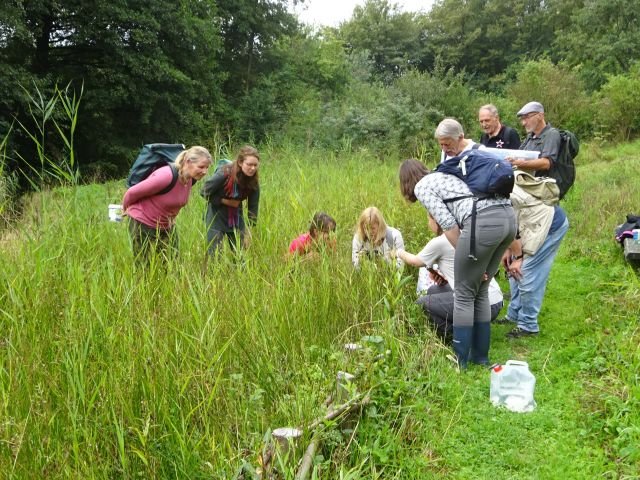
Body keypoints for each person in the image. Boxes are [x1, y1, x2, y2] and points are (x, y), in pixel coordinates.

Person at [399, 146, 516, 369]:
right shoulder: (446, 176)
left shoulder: (424, 187)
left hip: (484, 224)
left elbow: (449, 226)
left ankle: (460, 361)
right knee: (480, 291)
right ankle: (480, 358)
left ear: (406, 183)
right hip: (507, 219)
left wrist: (469, 255)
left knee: (463, 295)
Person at [496, 103, 570, 338]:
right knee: (512, 268)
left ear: (539, 115)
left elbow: (548, 163)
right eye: (521, 119)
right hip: (529, 213)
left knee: (527, 272)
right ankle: (514, 314)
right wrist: (511, 251)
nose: (523, 122)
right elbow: (512, 224)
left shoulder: (552, 135)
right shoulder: (500, 196)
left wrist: (520, 255)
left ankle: (529, 325)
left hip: (546, 218)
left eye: (527, 117)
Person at [398, 214, 504, 341]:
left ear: (436, 221)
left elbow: (415, 261)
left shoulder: (441, 241)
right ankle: (470, 329)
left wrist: (398, 252)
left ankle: (456, 336)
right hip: (496, 301)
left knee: (421, 303)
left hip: (481, 304)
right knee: (433, 290)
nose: (428, 224)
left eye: (429, 219)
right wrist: (445, 278)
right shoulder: (466, 234)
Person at [123, 146, 212, 263]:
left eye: (207, 167)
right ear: (188, 162)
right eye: (201, 167)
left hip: (166, 226)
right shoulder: (166, 175)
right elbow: (131, 192)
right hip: (142, 223)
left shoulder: (190, 179)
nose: (204, 171)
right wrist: (125, 209)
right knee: (144, 265)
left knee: (172, 263)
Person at [201, 146, 260, 257]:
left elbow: (253, 207)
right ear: (240, 162)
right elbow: (204, 192)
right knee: (214, 254)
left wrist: (249, 231)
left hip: (237, 216)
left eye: (255, 165)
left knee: (240, 255)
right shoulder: (224, 173)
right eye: (249, 164)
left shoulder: (254, 181)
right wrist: (225, 201)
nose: (252, 168)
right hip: (216, 215)